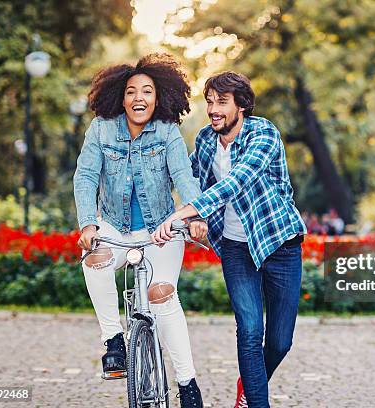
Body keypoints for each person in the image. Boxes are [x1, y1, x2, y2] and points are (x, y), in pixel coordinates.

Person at [151, 71, 307, 408]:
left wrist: (188, 210)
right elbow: (191, 179)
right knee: (250, 330)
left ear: (242, 105)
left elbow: (238, 180)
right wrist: (191, 214)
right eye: (209, 102)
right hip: (237, 249)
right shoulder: (206, 139)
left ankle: (250, 381)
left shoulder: (263, 133)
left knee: (280, 342)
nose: (213, 109)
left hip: (279, 244)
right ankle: (255, 401)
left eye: (221, 102)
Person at [73, 53, 205, 407]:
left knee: (163, 296)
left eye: (147, 91)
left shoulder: (167, 132)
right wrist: (87, 223)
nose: (139, 98)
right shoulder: (101, 128)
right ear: (121, 96)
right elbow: (86, 177)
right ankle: (114, 341)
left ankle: (187, 384)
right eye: (132, 92)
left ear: (158, 97)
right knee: (93, 261)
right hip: (113, 229)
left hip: (160, 231)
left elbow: (183, 177)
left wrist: (194, 217)